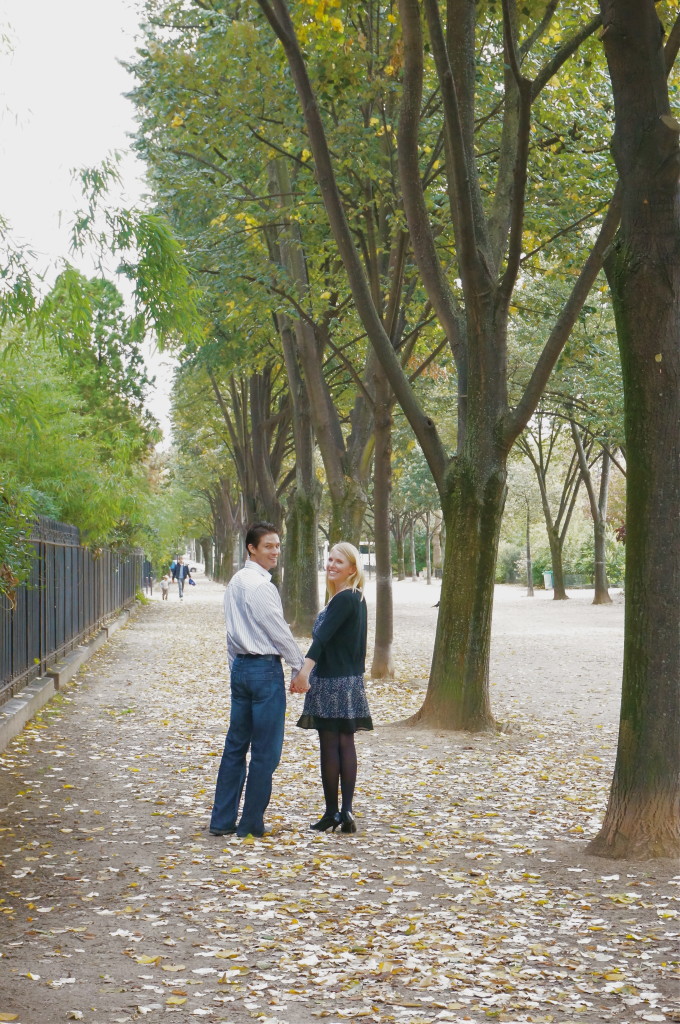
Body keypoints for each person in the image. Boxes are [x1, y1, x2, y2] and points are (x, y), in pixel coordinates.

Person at [209, 522, 308, 839]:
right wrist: (299, 668)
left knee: (235, 747)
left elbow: (231, 632)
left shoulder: (236, 582)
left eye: (278, 546)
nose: (275, 551)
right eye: (268, 546)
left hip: (241, 669)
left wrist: (234, 670)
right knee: (266, 751)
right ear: (252, 548)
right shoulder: (259, 586)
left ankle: (222, 820)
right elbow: (278, 631)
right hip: (263, 671)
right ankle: (250, 822)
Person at [294, 542, 373, 834]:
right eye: (329, 560)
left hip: (330, 681)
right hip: (350, 681)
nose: (331, 565)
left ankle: (332, 812)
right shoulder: (356, 598)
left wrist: (304, 672)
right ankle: (347, 811)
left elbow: (322, 640)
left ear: (352, 568)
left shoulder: (343, 599)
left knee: (330, 745)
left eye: (339, 562)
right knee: (346, 743)